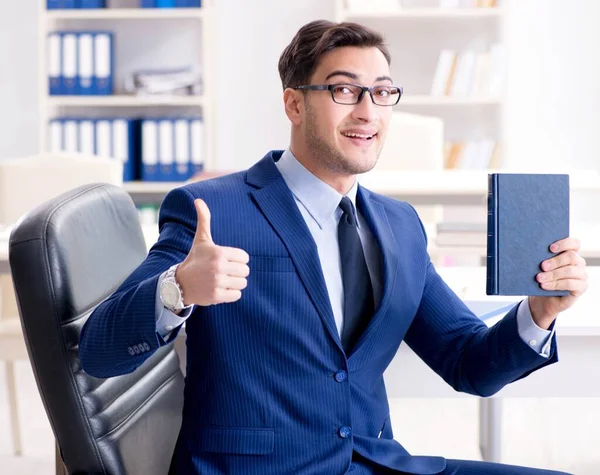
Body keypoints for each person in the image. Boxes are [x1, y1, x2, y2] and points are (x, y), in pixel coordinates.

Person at [79, 19, 588, 475]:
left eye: (382, 92)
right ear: (294, 103)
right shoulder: (212, 209)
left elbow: (467, 363)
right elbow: (99, 348)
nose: (368, 112)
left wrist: (539, 313)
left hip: (377, 463)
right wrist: (178, 288)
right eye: (345, 90)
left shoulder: (400, 225)